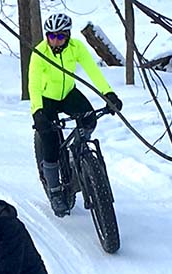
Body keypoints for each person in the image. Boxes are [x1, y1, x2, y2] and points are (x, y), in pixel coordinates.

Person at [29, 12, 123, 217]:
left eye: (60, 36)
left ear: (68, 36)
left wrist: (108, 93)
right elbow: (34, 84)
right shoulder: (39, 53)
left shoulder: (77, 48)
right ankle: (55, 191)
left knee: (89, 119)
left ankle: (79, 152)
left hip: (68, 93)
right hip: (47, 99)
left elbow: (93, 72)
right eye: (51, 36)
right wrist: (37, 112)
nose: (55, 41)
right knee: (50, 143)